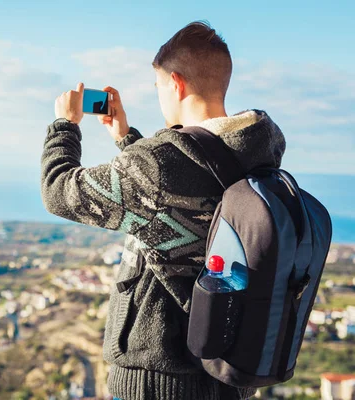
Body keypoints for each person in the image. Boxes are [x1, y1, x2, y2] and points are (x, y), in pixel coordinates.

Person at [40, 20, 286, 400]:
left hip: (159, 378)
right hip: (232, 366)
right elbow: (183, 189)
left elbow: (58, 191)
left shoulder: (156, 165)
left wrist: (64, 125)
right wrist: (126, 139)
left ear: (176, 83)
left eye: (158, 87)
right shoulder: (260, 148)